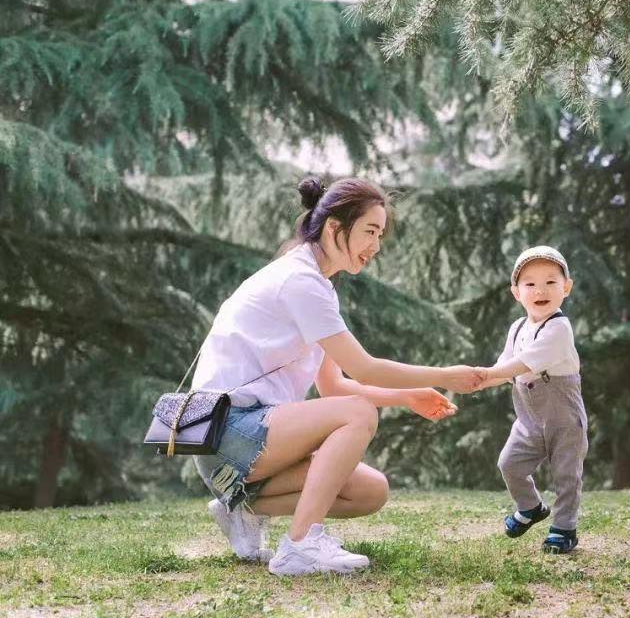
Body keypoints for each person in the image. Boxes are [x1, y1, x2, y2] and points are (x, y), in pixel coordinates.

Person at [190, 176, 486, 575]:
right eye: (369, 231)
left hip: (247, 442)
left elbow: (334, 385)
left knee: (369, 491)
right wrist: (448, 375)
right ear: (334, 227)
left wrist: (410, 395)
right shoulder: (300, 281)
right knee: (359, 413)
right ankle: (300, 546)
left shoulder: (319, 287)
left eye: (380, 234)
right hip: (226, 433)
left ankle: (244, 510)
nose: (376, 246)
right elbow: (363, 368)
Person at [475, 246, 587, 554]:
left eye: (551, 282)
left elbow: (523, 364)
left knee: (566, 475)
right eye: (530, 283)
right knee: (509, 464)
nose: (541, 290)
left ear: (566, 287)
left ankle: (564, 529)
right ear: (516, 292)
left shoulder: (560, 328)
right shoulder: (518, 328)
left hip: (563, 418)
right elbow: (504, 366)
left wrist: (485, 374)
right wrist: (480, 381)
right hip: (529, 419)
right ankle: (531, 507)